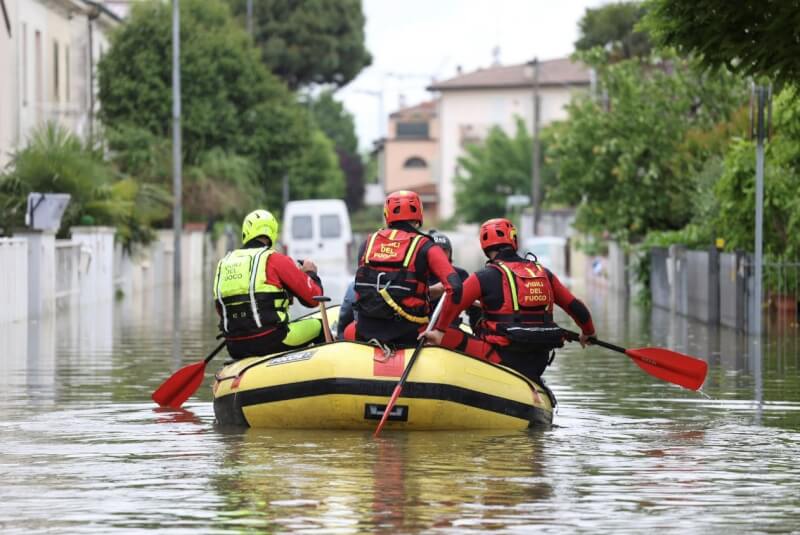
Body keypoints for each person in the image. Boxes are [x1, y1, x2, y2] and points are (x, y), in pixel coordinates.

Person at [423, 218, 595, 381]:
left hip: (502, 358)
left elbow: (454, 302)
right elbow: (576, 307)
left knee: (430, 334)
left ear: (484, 246)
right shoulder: (543, 273)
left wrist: (439, 331)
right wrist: (588, 332)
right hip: (539, 360)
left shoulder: (483, 276)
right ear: (513, 240)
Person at [343, 190, 462, 347]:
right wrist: (440, 330)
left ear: (387, 215)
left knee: (347, 331)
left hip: (365, 331)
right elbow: (455, 287)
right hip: (410, 335)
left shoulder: (368, 243)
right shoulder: (426, 246)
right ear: (419, 215)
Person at [213, 209, 326, 359]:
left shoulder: (224, 263)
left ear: (246, 233)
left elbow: (221, 309)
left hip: (234, 346)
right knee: (320, 326)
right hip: (271, 340)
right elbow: (313, 299)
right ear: (272, 233)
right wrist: (310, 273)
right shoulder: (275, 259)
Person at [427, 229, 481, 330]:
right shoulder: (417, 274)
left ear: (450, 253)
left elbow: (475, 308)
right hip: (421, 329)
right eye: (436, 251)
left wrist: (477, 330)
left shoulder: (460, 274)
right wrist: (434, 291)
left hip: (450, 329)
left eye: (444, 250)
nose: (440, 254)